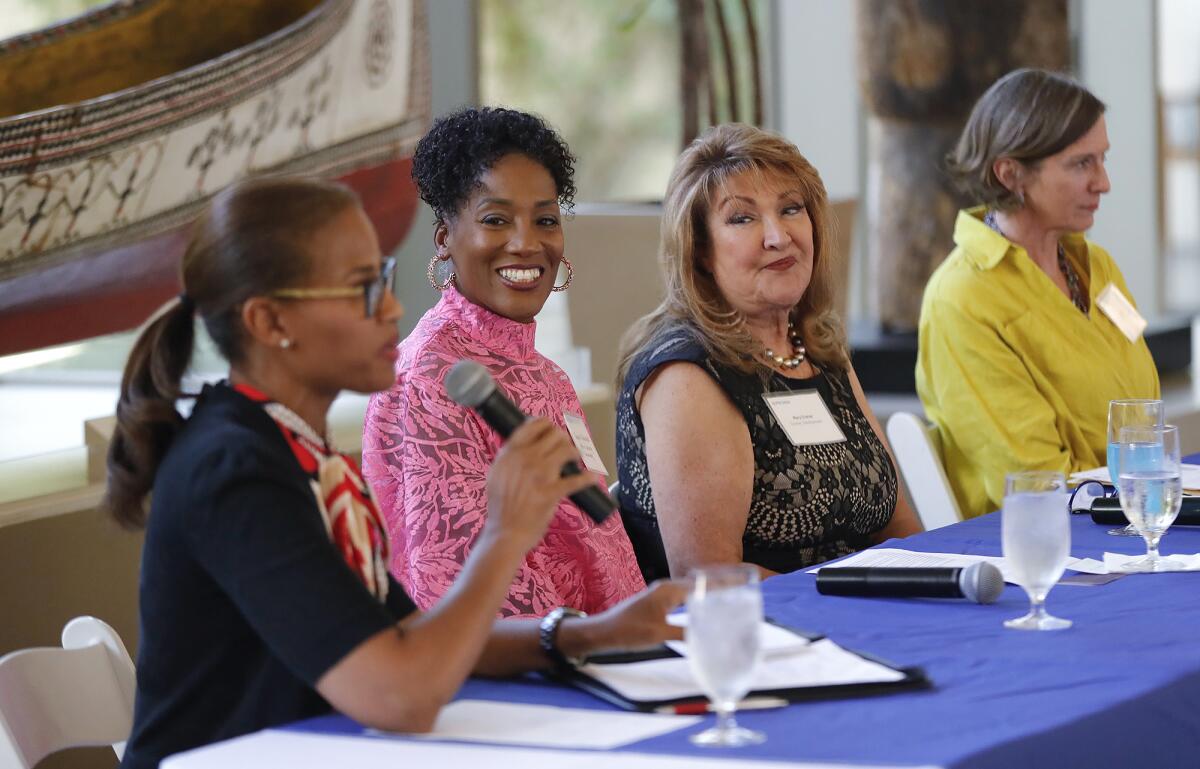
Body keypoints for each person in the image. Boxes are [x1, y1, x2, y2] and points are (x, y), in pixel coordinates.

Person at [104, 177, 683, 769]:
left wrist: (587, 634)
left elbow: (412, 637)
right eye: (363, 289)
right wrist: (505, 532)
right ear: (270, 321)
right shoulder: (233, 469)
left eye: (381, 279)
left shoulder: (294, 450)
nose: (392, 307)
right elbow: (399, 693)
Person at [362, 107, 646, 617]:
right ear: (445, 238)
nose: (526, 243)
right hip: (528, 675)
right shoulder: (430, 377)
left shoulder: (548, 376)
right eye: (496, 220)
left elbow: (598, 545)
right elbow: (458, 589)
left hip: (613, 649)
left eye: (545, 220)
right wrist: (603, 641)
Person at [614, 124, 922, 581]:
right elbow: (709, 578)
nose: (778, 236)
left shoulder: (816, 346)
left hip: (860, 620)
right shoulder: (687, 373)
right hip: (762, 636)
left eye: (791, 209)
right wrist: (856, 606)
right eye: (742, 218)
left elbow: (900, 534)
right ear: (699, 249)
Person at [917, 68, 1160, 519]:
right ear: (1011, 174)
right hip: (1042, 547)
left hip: (1127, 523)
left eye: (1102, 159)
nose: (1103, 182)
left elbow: (1143, 419)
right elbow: (1036, 481)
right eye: (1081, 163)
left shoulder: (1098, 266)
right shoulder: (962, 299)